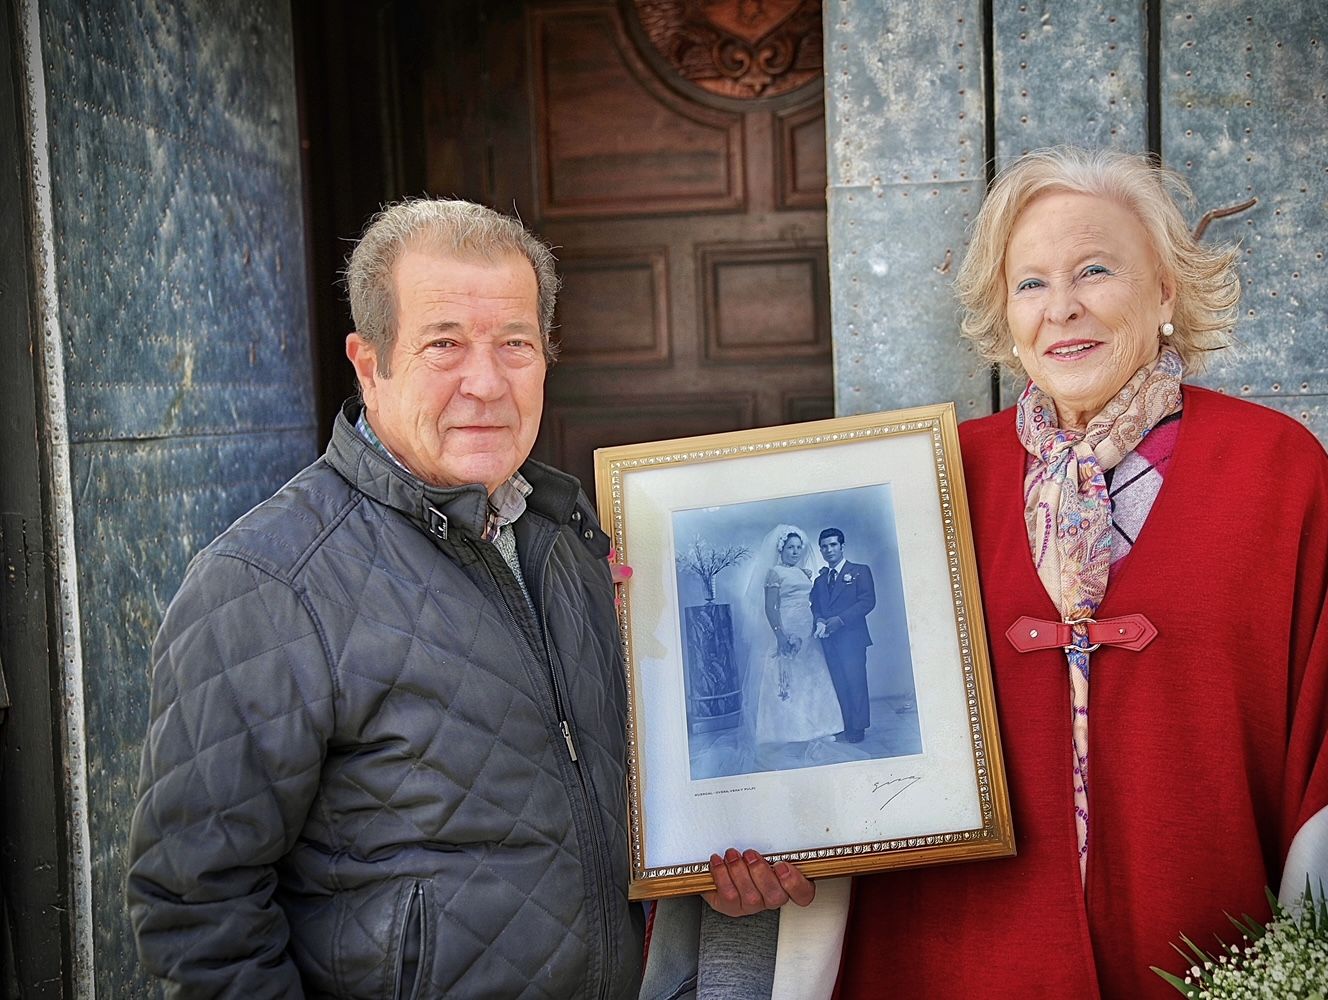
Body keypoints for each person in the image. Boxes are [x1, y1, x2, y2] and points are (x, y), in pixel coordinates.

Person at [126, 198, 804, 999]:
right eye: (443, 344)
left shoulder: (574, 538)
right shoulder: (267, 583)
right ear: (368, 361)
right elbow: (197, 912)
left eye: (514, 344)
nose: (484, 383)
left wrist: (715, 857)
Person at [832, 145, 1328, 996]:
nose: (1063, 308)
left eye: (1095, 270)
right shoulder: (930, 481)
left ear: (1164, 291)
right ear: (1004, 314)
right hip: (963, 960)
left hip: (1205, 953)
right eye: (1031, 283)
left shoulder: (1276, 470)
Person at [740, 525, 844, 759]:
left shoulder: (804, 573)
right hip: (787, 627)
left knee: (812, 677)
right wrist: (781, 635)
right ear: (781, 549)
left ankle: (819, 727)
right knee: (787, 677)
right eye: (790, 548)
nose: (795, 552)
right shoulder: (774, 573)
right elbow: (770, 607)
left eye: (799, 548)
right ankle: (786, 730)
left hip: (806, 629)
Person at [809, 528, 876, 743]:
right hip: (829, 640)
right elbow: (815, 606)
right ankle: (845, 724)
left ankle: (858, 728)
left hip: (852, 637)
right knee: (838, 682)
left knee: (855, 682)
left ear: (842, 546)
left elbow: (867, 601)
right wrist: (819, 619)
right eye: (824, 546)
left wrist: (841, 620)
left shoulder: (859, 571)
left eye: (833, 545)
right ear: (820, 549)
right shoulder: (820, 580)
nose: (829, 550)